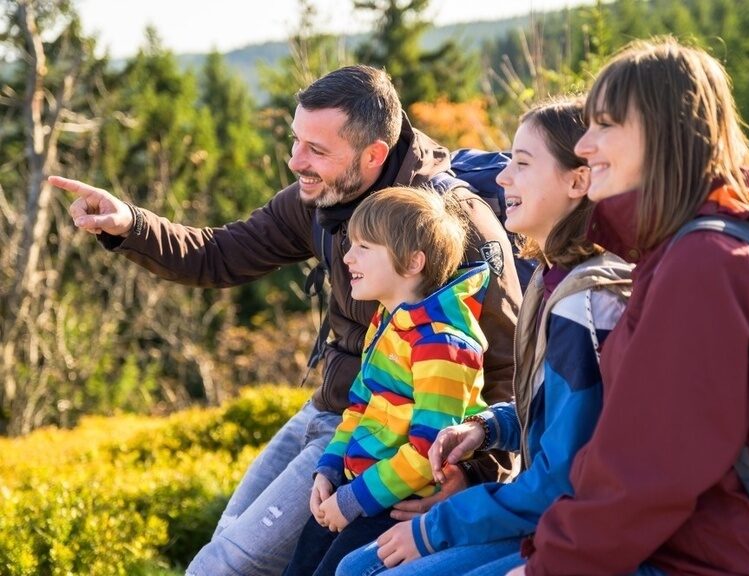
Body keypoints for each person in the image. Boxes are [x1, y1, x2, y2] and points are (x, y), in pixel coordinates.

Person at [48, 64, 522, 576]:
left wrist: (472, 475)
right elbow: (222, 252)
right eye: (296, 141)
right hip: (336, 416)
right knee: (227, 542)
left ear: (373, 156)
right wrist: (132, 225)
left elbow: (507, 366)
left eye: (316, 150)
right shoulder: (322, 196)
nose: (297, 162)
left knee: (226, 566)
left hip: (390, 448)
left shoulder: (453, 226)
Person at [337, 97, 633, 576]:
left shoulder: (587, 301)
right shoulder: (550, 278)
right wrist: (487, 428)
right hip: (544, 516)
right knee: (355, 567)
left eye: (522, 163)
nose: (501, 178)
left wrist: (437, 526)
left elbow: (564, 474)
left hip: (572, 530)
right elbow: (550, 414)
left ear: (578, 180)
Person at [505, 37, 749, 576]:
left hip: (700, 560)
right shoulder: (677, 252)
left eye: (604, 124)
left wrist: (547, 566)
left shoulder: (704, 264)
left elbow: (648, 471)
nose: (584, 144)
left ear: (662, 132)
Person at [281, 185, 492, 576]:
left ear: (412, 262)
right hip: (356, 489)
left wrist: (353, 500)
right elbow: (360, 407)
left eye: (364, 247)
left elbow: (430, 449)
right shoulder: (387, 322)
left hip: (396, 505)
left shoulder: (441, 344)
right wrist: (329, 468)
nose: (347, 257)